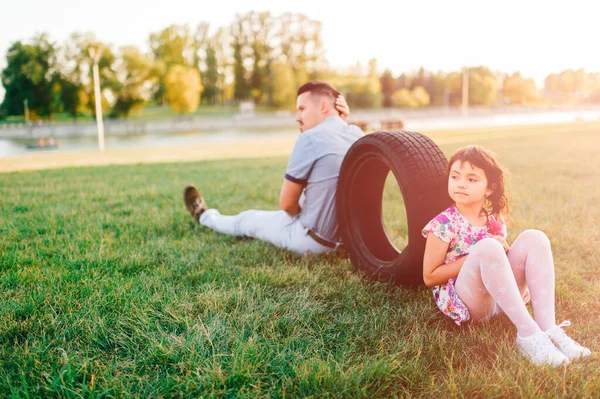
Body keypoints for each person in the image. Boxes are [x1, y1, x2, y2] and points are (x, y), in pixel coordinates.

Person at [422, 145, 591, 366]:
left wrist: (503, 250)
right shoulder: (443, 224)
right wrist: (479, 250)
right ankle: (528, 334)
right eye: (455, 177)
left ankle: (548, 328)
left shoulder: (493, 220)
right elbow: (430, 277)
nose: (461, 183)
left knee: (535, 237)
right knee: (488, 247)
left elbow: (501, 261)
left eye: (472, 179)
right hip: (471, 303)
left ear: (489, 189)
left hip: (501, 299)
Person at [183, 81, 363, 255]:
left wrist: (300, 214)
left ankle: (204, 217)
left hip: (312, 242)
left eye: (302, 109)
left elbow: (287, 205)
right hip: (351, 244)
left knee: (248, 219)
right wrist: (339, 120)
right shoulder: (357, 135)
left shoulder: (309, 138)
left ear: (324, 106)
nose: (297, 117)